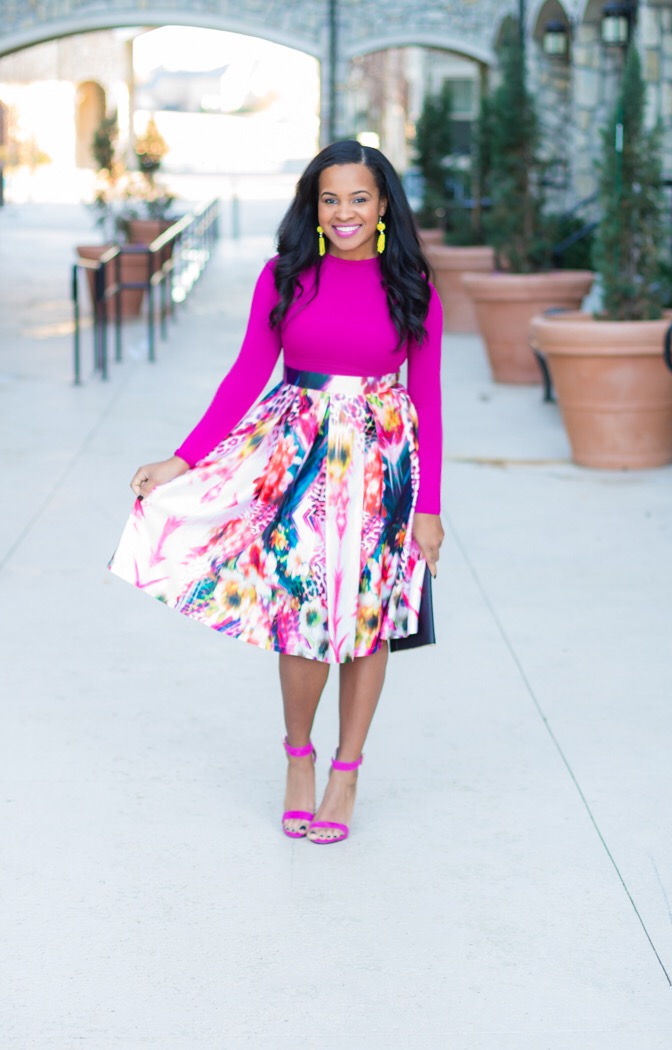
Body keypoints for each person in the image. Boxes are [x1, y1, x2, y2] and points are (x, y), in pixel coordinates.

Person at [110, 140, 444, 844]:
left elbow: (430, 399)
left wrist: (431, 509)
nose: (345, 212)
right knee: (302, 611)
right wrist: (182, 459)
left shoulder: (412, 283)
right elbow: (246, 375)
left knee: (369, 620)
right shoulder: (285, 277)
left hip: (382, 468)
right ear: (313, 207)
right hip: (297, 463)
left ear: (384, 204)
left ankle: (346, 772)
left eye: (360, 198)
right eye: (331, 199)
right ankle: (299, 757)